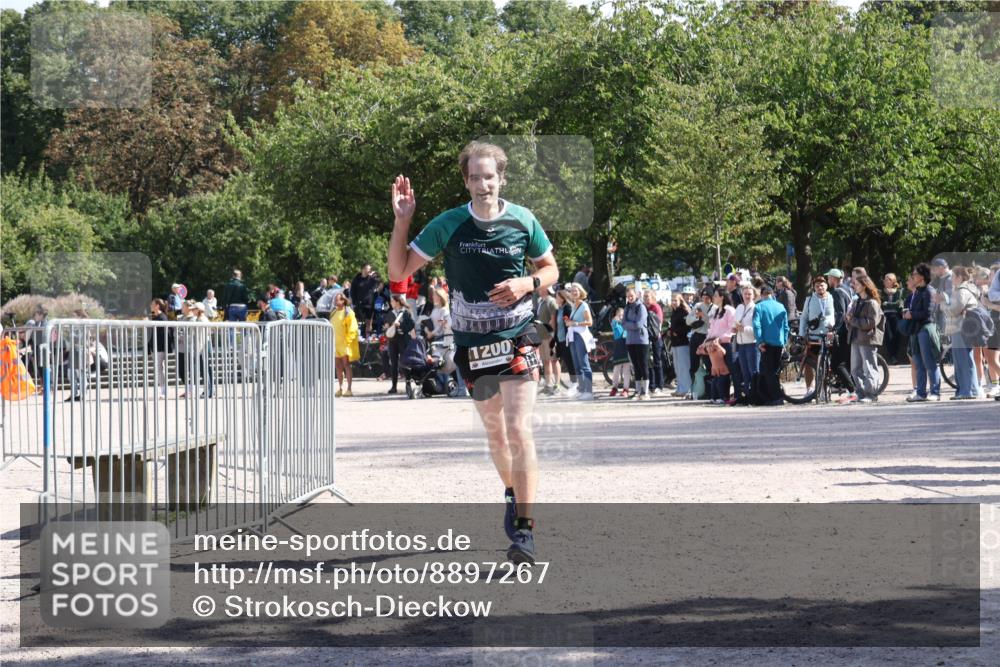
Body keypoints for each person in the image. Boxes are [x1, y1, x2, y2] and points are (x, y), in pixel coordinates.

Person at [388, 141, 559, 565]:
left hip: (519, 335)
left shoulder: (523, 220)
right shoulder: (449, 223)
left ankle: (525, 531)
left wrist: (526, 284)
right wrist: (402, 222)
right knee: (497, 434)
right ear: (465, 181)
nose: (483, 184)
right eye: (475, 177)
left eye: (490, 176)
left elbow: (550, 269)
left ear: (501, 179)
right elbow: (398, 271)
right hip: (472, 345)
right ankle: (511, 492)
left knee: (520, 429)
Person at [936, 266, 980, 399]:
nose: (951, 279)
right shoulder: (961, 290)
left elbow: (953, 311)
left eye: (953, 277)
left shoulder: (962, 291)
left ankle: (967, 391)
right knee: (963, 360)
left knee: (963, 361)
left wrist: (942, 303)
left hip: (960, 329)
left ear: (960, 278)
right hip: (960, 329)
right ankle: (967, 390)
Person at [843, 276, 885, 404]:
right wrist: (848, 318)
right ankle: (860, 393)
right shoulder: (857, 301)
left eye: (856, 284)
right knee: (855, 369)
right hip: (855, 338)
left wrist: (853, 320)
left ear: (864, 285)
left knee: (869, 367)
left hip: (867, 339)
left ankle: (871, 394)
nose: (853, 286)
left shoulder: (872, 303)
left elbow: (871, 323)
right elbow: (852, 321)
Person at [904, 263, 941, 402]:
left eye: (914, 275)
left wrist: (911, 314)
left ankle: (935, 392)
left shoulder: (930, 292)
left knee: (929, 362)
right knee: (918, 363)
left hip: (926, 329)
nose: (912, 277)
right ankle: (920, 392)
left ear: (922, 276)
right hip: (916, 330)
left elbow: (928, 313)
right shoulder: (918, 292)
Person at [799, 276, 836, 395]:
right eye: (817, 286)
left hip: (827, 335)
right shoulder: (809, 299)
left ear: (826, 286)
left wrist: (833, 327)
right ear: (814, 288)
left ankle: (825, 388)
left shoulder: (832, 298)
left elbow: (837, 314)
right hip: (813, 335)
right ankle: (810, 388)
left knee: (827, 363)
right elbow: (804, 317)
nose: (820, 287)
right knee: (809, 363)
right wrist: (802, 333)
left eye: (822, 285)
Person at [698, 288, 736, 405]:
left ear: (722, 297)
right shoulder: (715, 311)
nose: (713, 297)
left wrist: (720, 338)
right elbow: (711, 329)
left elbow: (732, 328)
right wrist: (705, 342)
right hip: (713, 344)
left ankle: (724, 396)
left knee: (725, 370)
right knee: (715, 370)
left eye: (715, 295)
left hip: (724, 344)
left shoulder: (729, 310)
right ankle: (715, 396)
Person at [753, 285, 789, 406]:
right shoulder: (781, 306)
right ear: (772, 294)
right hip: (779, 343)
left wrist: (760, 341)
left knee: (768, 372)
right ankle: (769, 397)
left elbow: (756, 325)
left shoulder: (759, 307)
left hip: (766, 343)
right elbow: (786, 327)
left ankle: (776, 397)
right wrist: (784, 342)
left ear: (762, 295)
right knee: (774, 371)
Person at [824, 269, 855, 391]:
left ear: (833, 278)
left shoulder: (837, 292)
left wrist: (834, 330)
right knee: (847, 362)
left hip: (842, 332)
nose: (827, 280)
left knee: (837, 364)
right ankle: (849, 388)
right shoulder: (848, 290)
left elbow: (840, 313)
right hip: (850, 330)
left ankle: (852, 390)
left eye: (828, 278)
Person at [566, 282, 595, 401]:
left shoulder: (584, 305)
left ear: (580, 292)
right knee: (577, 365)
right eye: (572, 291)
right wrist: (569, 323)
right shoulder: (573, 306)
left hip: (581, 336)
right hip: (573, 336)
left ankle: (588, 391)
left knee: (584, 364)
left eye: (576, 290)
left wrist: (575, 323)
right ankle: (582, 389)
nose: (574, 292)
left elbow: (590, 322)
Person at [685, 288, 715, 399]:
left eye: (707, 298)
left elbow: (713, 324)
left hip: (708, 337)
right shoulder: (698, 305)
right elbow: (688, 321)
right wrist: (696, 316)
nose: (705, 299)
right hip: (696, 336)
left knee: (709, 365)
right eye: (703, 297)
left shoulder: (714, 308)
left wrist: (704, 316)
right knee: (693, 365)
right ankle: (693, 391)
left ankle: (709, 391)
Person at [731, 284, 759, 406]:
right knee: (744, 372)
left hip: (752, 344)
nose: (747, 296)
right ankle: (748, 396)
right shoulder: (739, 308)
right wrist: (734, 329)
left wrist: (743, 329)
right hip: (741, 344)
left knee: (754, 372)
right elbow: (734, 323)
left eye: (749, 294)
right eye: (745, 294)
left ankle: (756, 396)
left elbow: (756, 330)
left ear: (754, 295)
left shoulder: (756, 308)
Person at [621, 287, 650, 400]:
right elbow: (623, 323)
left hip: (641, 340)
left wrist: (629, 324)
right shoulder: (627, 308)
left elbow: (638, 324)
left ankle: (645, 391)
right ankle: (637, 391)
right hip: (630, 340)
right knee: (635, 366)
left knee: (643, 365)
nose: (630, 298)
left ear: (636, 295)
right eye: (628, 296)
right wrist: (630, 324)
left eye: (632, 295)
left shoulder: (641, 307)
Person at [384, 294, 414, 396]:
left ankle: (408, 384)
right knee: (393, 363)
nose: (391, 303)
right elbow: (386, 326)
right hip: (392, 341)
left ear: (397, 302)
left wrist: (401, 326)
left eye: (392, 301)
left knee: (405, 362)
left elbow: (411, 324)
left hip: (403, 340)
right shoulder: (389, 313)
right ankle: (394, 386)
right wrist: (387, 327)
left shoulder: (405, 313)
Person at [330, 292, 360, 397]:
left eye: (337, 299)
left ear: (343, 301)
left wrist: (349, 341)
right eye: (335, 299)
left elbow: (353, 327)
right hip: (335, 344)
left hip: (345, 343)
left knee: (346, 365)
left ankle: (349, 389)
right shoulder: (333, 312)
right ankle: (340, 388)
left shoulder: (348, 312)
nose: (335, 301)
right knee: (338, 366)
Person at [534, 285, 559, 396]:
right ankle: (548, 385)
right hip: (542, 336)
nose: (538, 290)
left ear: (546, 289)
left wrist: (552, 335)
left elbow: (553, 319)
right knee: (545, 361)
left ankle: (557, 385)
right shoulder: (541, 302)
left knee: (553, 360)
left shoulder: (551, 301)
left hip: (549, 337)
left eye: (540, 288)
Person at [980, 260, 1000, 398]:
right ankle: (995, 385)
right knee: (990, 356)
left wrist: (988, 304)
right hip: (994, 322)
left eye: (992, 273)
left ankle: (995, 385)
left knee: (991, 357)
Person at [667, 293, 692, 397]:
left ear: (680, 301)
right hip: (675, 343)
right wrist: (670, 331)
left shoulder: (684, 312)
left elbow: (688, 327)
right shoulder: (674, 312)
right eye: (672, 300)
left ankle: (686, 389)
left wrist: (677, 332)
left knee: (684, 367)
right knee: (677, 367)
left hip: (683, 342)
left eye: (675, 300)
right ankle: (680, 388)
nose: (673, 302)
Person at [147, 298, 172, 397]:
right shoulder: (155, 316)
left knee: (159, 368)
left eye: (152, 304)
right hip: (154, 347)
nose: (150, 306)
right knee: (159, 368)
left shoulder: (162, 317)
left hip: (160, 347)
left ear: (157, 305)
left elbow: (162, 333)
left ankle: (164, 390)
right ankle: (163, 389)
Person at [643, 289, 666, 395]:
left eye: (648, 296)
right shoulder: (644, 308)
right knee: (649, 362)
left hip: (655, 337)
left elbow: (659, 322)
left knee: (657, 361)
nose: (646, 298)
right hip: (647, 337)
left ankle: (659, 385)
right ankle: (651, 386)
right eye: (644, 296)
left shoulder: (656, 307)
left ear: (652, 297)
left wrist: (657, 334)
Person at [554, 288, 575, 396]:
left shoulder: (567, 308)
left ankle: (575, 385)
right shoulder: (558, 310)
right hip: (560, 340)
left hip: (567, 340)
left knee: (571, 363)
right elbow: (558, 326)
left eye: (557, 297)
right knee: (567, 362)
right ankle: (573, 384)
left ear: (562, 298)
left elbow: (568, 323)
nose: (555, 299)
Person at [881, 273, 906, 364]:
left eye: (887, 279)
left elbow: (898, 303)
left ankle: (895, 356)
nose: (885, 281)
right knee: (888, 336)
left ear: (892, 281)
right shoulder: (882, 292)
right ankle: (891, 357)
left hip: (895, 316)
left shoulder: (899, 291)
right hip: (886, 316)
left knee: (896, 335)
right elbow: (881, 304)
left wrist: (887, 304)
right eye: (885, 279)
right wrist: (888, 304)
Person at [609, 308, 632, 397]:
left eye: (623, 315)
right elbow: (613, 322)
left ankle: (626, 389)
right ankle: (614, 388)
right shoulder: (615, 324)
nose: (621, 317)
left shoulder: (626, 324)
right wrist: (616, 318)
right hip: (618, 348)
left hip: (626, 348)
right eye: (619, 315)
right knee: (616, 370)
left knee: (627, 370)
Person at [351, 264, 378, 337]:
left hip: (369, 304)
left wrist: (375, 277)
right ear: (362, 269)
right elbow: (352, 291)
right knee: (355, 321)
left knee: (368, 323)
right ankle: (355, 337)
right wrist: (354, 302)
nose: (368, 271)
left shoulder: (372, 279)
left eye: (369, 269)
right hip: (358, 304)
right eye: (367, 269)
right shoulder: (356, 279)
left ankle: (368, 338)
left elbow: (377, 286)